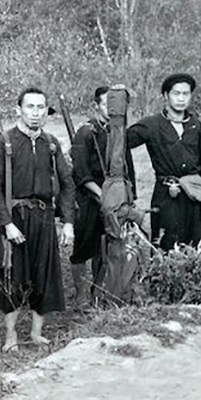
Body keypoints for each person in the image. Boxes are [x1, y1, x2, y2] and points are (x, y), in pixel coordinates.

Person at [0, 88, 75, 352]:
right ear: (19, 110)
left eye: (41, 108)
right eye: (30, 107)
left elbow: (68, 184)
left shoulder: (51, 143)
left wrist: (68, 222)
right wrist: (6, 224)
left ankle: (36, 333)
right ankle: (11, 336)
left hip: (45, 217)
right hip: (15, 218)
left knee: (44, 273)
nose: (36, 114)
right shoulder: (3, 143)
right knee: (12, 273)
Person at [127, 73, 201, 251]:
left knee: (193, 245)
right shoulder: (151, 125)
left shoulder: (195, 125)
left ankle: (191, 276)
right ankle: (163, 277)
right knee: (166, 244)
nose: (181, 99)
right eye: (176, 93)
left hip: (193, 194)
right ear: (166, 96)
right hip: (166, 195)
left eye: (186, 94)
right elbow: (122, 142)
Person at [70, 86, 136, 308]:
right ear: (96, 106)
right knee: (83, 247)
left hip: (114, 199)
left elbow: (128, 167)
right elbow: (80, 172)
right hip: (89, 198)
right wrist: (102, 195)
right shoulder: (86, 133)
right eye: (107, 104)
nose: (111, 109)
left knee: (106, 245)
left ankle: (99, 291)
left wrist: (127, 197)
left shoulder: (118, 132)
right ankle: (81, 296)